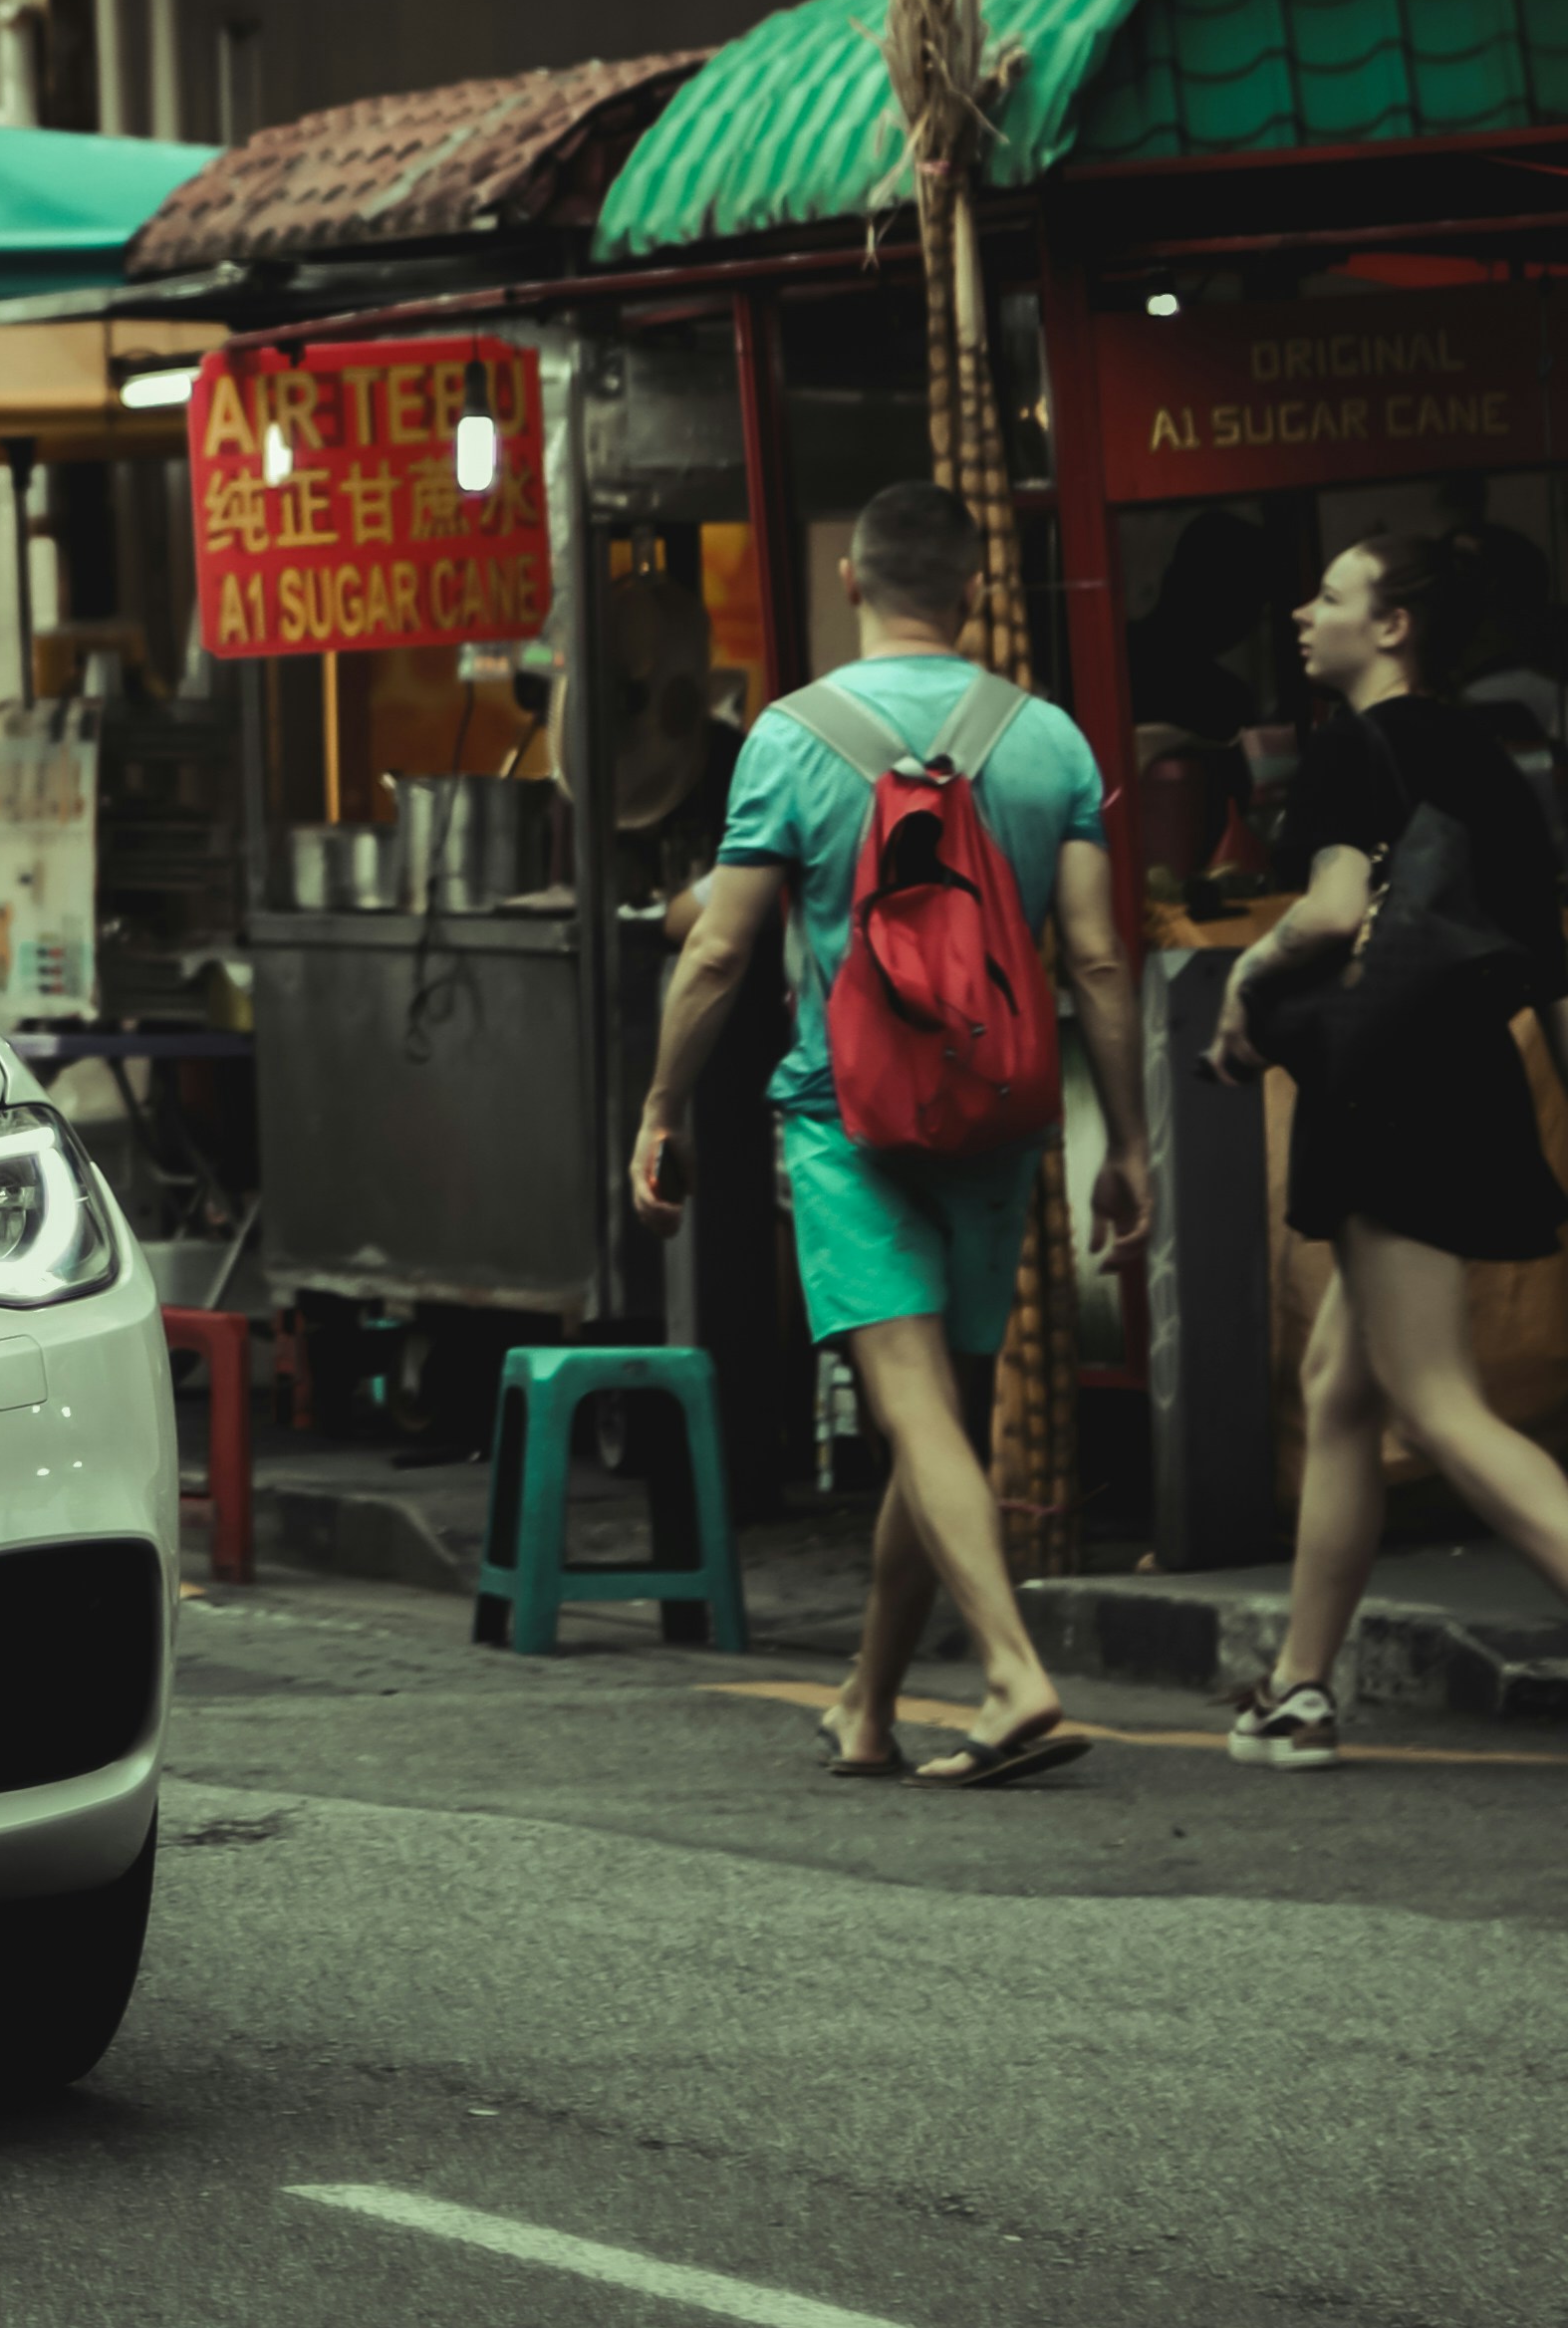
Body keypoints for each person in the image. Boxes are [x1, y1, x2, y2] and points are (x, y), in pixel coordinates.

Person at [630, 481, 1151, 1788]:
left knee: (916, 1413)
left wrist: (661, 1110)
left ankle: (1013, 1676)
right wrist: (1129, 1143)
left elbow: (718, 954)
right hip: (1000, 1117)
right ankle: (866, 1706)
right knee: (942, 1421)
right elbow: (1095, 957)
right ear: (974, 591)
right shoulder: (1051, 742)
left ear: (851, 583)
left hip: (845, 1119)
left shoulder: (793, 738)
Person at [1208, 528, 1568, 1766]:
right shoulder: (1490, 754)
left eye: (1332, 596)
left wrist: (1241, 979)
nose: (1306, 615)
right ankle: (1301, 1687)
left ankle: (1304, 1686)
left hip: (1385, 1094)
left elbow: (1328, 913)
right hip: (1471, 1079)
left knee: (1437, 1403)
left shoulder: (1352, 750)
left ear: (1393, 625)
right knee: (1340, 1389)